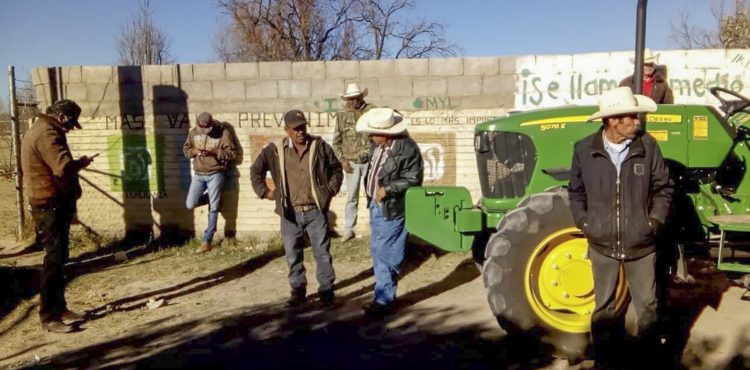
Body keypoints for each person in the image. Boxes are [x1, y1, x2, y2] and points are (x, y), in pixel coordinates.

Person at [568, 87, 673, 369]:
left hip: (641, 245)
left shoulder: (648, 146)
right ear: (613, 120)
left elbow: (663, 188)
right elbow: (576, 193)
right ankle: (605, 361)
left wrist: (653, 222)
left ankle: (649, 362)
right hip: (601, 244)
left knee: (648, 307)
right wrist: (586, 223)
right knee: (604, 309)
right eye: (632, 117)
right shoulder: (584, 150)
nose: (638, 122)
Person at [250, 110, 343, 307]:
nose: (300, 132)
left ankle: (326, 291)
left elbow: (336, 169)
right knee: (292, 254)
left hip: (315, 211)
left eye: (303, 127)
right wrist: (265, 192)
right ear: (286, 130)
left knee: (323, 254)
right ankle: (298, 291)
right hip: (290, 213)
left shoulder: (319, 146)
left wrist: (330, 189)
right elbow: (255, 170)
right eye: (296, 129)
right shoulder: (275, 150)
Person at [21, 99, 93, 333]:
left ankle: (60, 308)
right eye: (71, 123)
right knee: (53, 261)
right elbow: (61, 167)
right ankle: (49, 317)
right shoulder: (47, 133)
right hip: (49, 205)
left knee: (60, 257)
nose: (71, 128)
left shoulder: (41, 128)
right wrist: (80, 164)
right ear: (62, 117)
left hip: (50, 202)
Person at [356, 108, 423, 317]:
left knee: (383, 252)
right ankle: (386, 296)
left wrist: (388, 189)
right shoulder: (378, 146)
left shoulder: (407, 149)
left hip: (392, 207)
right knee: (383, 251)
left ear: (387, 134)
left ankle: (384, 301)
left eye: (373, 132)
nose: (369, 136)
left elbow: (413, 179)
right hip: (377, 206)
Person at [183, 112, 237, 253]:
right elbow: (186, 150)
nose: (204, 131)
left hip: (216, 174)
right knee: (190, 203)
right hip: (199, 175)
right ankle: (215, 199)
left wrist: (215, 152)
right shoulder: (193, 132)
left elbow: (232, 154)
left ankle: (207, 240)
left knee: (213, 209)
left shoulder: (223, 133)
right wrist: (194, 151)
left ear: (212, 124)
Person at [333, 83, 374, 243]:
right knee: (352, 197)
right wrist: (342, 160)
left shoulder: (371, 111)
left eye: (356, 98)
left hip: (371, 161)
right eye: (351, 98)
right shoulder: (342, 115)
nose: (354, 101)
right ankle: (349, 229)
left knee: (373, 195)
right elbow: (336, 141)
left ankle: (375, 227)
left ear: (361, 97)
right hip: (351, 163)